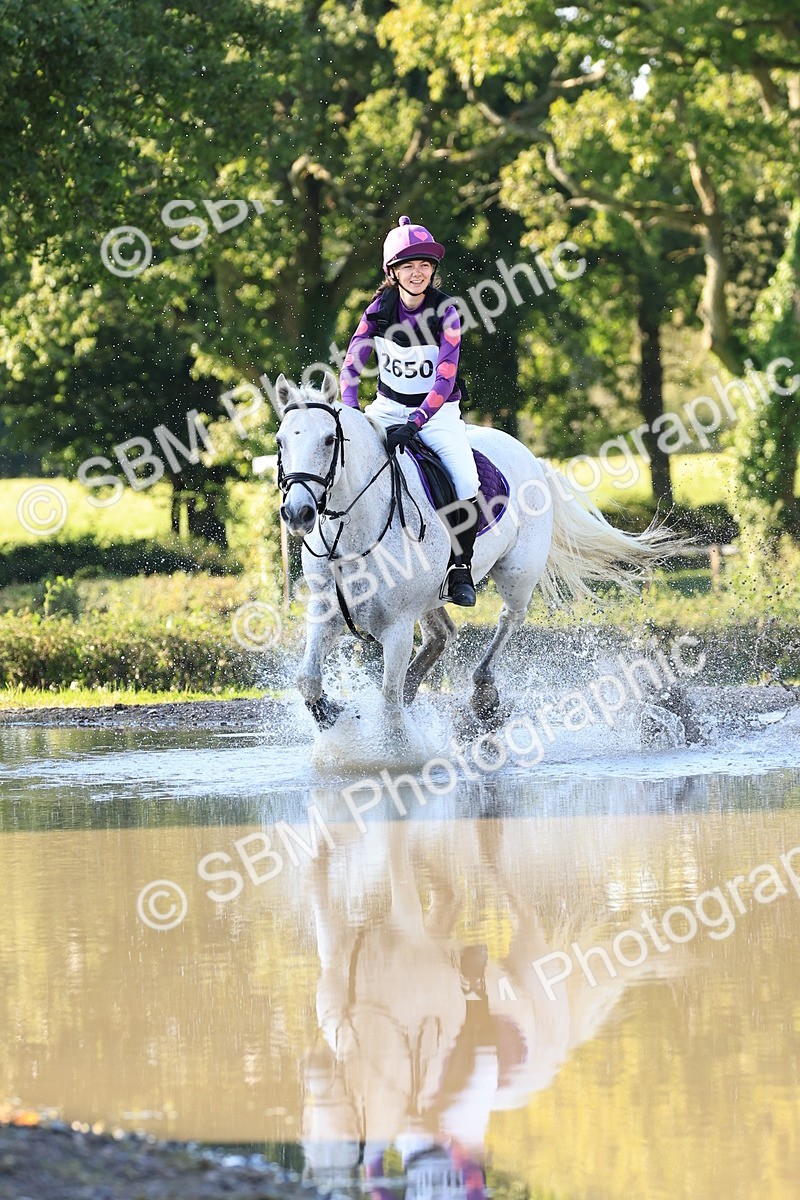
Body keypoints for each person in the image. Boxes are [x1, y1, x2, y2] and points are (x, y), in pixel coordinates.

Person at [339, 215, 481, 607]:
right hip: (386, 409)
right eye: (408, 266)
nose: (417, 273)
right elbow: (351, 366)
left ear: (433, 269)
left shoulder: (447, 312)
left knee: (466, 481)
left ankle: (460, 568)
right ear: (393, 272)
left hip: (436, 415)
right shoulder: (377, 311)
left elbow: (445, 380)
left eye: (424, 265)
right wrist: (351, 414)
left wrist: (416, 422)